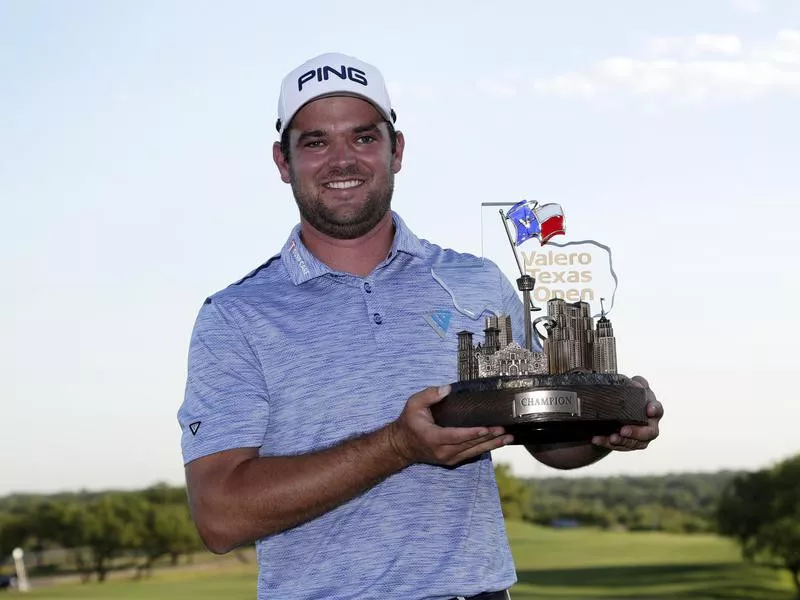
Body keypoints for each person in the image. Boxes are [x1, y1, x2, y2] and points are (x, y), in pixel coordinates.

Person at [178, 52, 663, 600]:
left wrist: (607, 422)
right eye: (315, 142)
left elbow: (546, 439)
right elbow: (219, 515)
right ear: (283, 161)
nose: (343, 160)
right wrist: (396, 445)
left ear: (396, 150)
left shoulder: (479, 282)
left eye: (364, 138)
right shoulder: (235, 316)